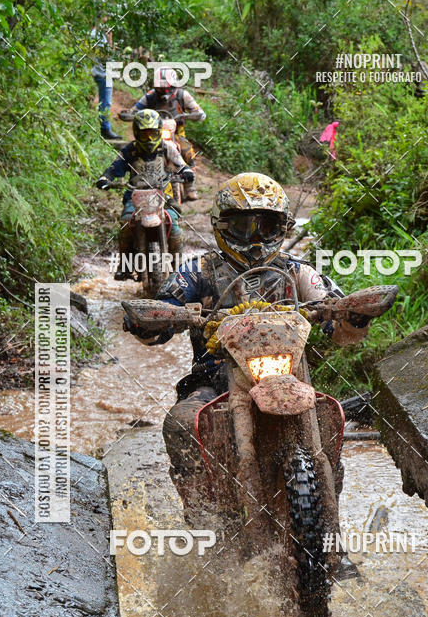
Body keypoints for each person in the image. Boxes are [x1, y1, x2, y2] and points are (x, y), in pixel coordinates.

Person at [124, 172, 372, 507]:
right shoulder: (198, 271)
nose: (255, 239)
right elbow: (165, 311)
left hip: (289, 375)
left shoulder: (298, 272)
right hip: (214, 379)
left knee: (330, 414)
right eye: (243, 227)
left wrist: (351, 316)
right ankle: (202, 512)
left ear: (282, 229)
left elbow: (338, 325)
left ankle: (330, 528)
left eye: (265, 227)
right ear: (222, 226)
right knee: (182, 423)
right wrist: (152, 321)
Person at [95, 109, 194, 279]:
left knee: (175, 228)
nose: (149, 139)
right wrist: (105, 178)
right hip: (135, 197)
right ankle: (124, 266)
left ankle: (178, 268)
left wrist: (186, 171)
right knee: (126, 223)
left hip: (163, 196)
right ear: (136, 133)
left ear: (158, 132)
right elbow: (114, 168)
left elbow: (181, 163)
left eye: (152, 133)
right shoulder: (129, 151)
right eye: (144, 134)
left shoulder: (167, 147)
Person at [126, 67, 206, 200]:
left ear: (173, 86)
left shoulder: (182, 95)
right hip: (153, 133)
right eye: (160, 88)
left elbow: (199, 111)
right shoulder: (151, 96)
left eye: (166, 88)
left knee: (187, 151)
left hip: (177, 133)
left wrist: (192, 115)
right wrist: (130, 114)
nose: (163, 91)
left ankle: (189, 186)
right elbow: (136, 108)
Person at [90, 13, 121, 141]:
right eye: (104, 17)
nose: (107, 20)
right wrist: (110, 42)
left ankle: (105, 128)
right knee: (106, 102)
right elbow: (105, 55)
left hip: (105, 71)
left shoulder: (100, 34)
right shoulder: (95, 35)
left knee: (106, 101)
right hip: (102, 72)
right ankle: (105, 130)